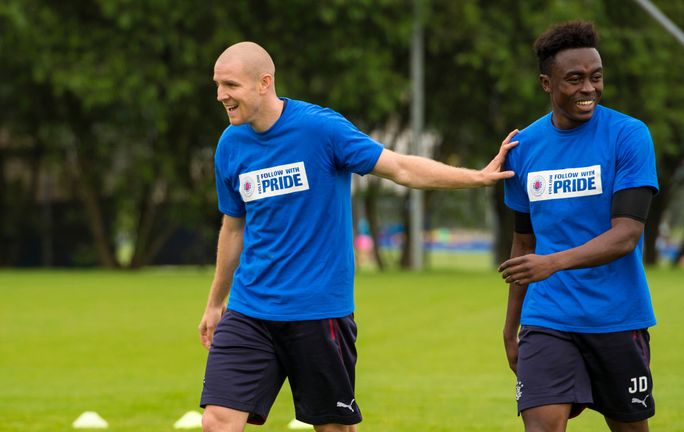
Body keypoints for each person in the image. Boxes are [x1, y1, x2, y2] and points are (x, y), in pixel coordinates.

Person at [199, 41, 519, 432]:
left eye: (230, 85)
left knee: (335, 428)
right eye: (218, 85)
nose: (221, 96)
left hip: (318, 312)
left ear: (264, 83)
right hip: (250, 309)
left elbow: (400, 168)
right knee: (217, 421)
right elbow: (234, 227)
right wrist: (216, 304)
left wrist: (477, 177)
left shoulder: (321, 129)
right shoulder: (230, 145)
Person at [498, 22, 658, 432]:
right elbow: (523, 242)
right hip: (548, 316)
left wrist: (552, 263)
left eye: (596, 77)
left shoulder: (629, 136)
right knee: (542, 426)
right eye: (575, 79)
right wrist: (511, 326)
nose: (588, 88)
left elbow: (626, 235)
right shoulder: (523, 148)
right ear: (546, 83)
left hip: (617, 318)